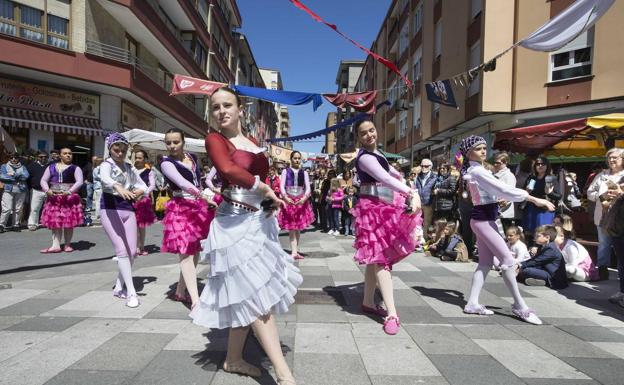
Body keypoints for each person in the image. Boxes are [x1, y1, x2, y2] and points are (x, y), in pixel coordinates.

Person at [190, 87, 301, 385]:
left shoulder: (252, 142)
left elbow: (262, 181)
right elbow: (227, 169)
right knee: (255, 298)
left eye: (227, 105)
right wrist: (263, 188)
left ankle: (233, 359)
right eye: (215, 107)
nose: (221, 111)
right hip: (232, 226)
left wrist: (269, 199)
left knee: (246, 292)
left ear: (241, 109)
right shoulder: (215, 139)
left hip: (258, 222)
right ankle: (283, 374)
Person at [459, 135, 555, 324]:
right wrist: (535, 199)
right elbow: (503, 189)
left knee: (485, 264)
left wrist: (501, 199)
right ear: (469, 152)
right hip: (484, 221)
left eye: (484, 148)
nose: (484, 151)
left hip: (483, 220)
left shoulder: (475, 170)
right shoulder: (478, 171)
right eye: (479, 149)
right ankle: (520, 306)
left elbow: (495, 192)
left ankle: (472, 303)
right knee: (509, 262)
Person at [352, 119, 422, 335]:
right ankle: (392, 313)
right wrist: (411, 192)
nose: (369, 135)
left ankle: (367, 302)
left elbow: (393, 174)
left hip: (384, 207)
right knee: (381, 259)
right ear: (358, 137)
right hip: (373, 210)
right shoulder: (364, 158)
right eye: (363, 133)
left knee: (376, 259)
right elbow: (383, 177)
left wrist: (408, 186)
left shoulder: (378, 154)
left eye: (371, 130)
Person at [160, 128, 213, 307]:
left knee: (195, 250)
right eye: (169, 143)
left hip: (197, 208)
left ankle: (180, 291)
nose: (172, 146)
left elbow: (199, 180)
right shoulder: (166, 163)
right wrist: (202, 195)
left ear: (184, 142)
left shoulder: (193, 158)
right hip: (180, 208)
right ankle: (196, 301)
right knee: (185, 254)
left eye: (176, 142)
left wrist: (208, 194)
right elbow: (182, 183)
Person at [99, 134, 148, 308]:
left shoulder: (129, 167)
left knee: (132, 251)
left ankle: (119, 287)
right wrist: (117, 186)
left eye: (123, 150)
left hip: (128, 209)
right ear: (110, 149)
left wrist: (140, 191)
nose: (120, 153)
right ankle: (131, 293)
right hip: (110, 208)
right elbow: (104, 178)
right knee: (121, 250)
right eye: (116, 149)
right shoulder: (106, 165)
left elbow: (144, 185)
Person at [586, 148, 624, 281]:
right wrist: (601, 196)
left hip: (620, 216)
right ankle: (602, 269)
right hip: (603, 215)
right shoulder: (602, 175)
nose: (612, 160)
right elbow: (589, 193)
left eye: (615, 157)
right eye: (610, 158)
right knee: (604, 243)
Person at [39, 148, 84, 253]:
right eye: (65, 153)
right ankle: (55, 245)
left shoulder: (75, 168)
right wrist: (47, 190)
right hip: (54, 198)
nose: (68, 155)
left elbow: (79, 182)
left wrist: (69, 191)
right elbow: (43, 180)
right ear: (60, 155)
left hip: (69, 199)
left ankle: (67, 245)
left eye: (70, 153)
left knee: (69, 222)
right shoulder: (51, 167)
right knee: (55, 222)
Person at [278, 151, 314, 259]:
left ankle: (296, 250)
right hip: (289, 200)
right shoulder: (285, 171)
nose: (297, 160)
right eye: (295, 158)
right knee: (292, 228)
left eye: (299, 158)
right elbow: (282, 186)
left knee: (298, 228)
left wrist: (304, 198)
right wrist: (285, 197)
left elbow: (308, 188)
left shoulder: (305, 173)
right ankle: (294, 251)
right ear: (291, 159)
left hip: (301, 201)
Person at [522, 156, 561, 242]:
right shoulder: (531, 178)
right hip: (531, 209)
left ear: (547, 166)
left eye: (542, 164)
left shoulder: (551, 178)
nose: (540, 166)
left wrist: (549, 193)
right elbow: (523, 193)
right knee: (530, 235)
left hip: (544, 211)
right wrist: (526, 191)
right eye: (538, 164)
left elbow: (559, 196)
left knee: (544, 234)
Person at [133, 150, 157, 256]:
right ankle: (134, 246)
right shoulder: (131, 169)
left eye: (140, 158)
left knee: (141, 226)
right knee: (132, 226)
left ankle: (141, 247)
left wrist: (144, 192)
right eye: (136, 157)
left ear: (145, 159)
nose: (137, 160)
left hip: (142, 200)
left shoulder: (149, 172)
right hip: (131, 200)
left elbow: (152, 185)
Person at [0, 152, 29, 232]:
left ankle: (15, 224)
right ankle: (2, 224)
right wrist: (18, 176)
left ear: (18, 158)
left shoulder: (23, 167)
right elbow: (2, 176)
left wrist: (13, 174)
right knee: (7, 208)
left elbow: (26, 176)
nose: (13, 159)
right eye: (11, 158)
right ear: (9, 158)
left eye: (15, 158)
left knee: (18, 209)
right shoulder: (4, 166)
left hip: (21, 189)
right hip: (8, 189)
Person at [492, 152, 516, 230]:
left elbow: (511, 193)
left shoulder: (509, 176)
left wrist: (503, 201)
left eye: (498, 163)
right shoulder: (494, 174)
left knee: (506, 236)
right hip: (495, 211)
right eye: (494, 162)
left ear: (505, 163)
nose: (495, 164)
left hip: (504, 213)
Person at [26, 151, 49, 231]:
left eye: (45, 157)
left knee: (49, 208)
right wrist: (30, 187)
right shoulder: (32, 166)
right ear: (37, 157)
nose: (43, 158)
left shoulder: (51, 166)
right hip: (36, 190)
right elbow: (27, 178)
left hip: (49, 191)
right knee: (34, 208)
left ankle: (48, 223)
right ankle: (32, 224)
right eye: (41, 157)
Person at [415, 158, 437, 233]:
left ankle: (425, 239)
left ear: (430, 166)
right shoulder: (418, 176)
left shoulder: (435, 176)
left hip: (429, 203)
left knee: (427, 223)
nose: (424, 168)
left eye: (426, 166)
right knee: (417, 221)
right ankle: (418, 239)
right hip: (419, 203)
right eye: (422, 166)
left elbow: (438, 187)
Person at [92, 157, 103, 222]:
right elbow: (98, 177)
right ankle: (98, 215)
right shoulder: (97, 169)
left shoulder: (97, 168)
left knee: (99, 201)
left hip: (99, 187)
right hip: (99, 187)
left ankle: (99, 214)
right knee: (98, 201)